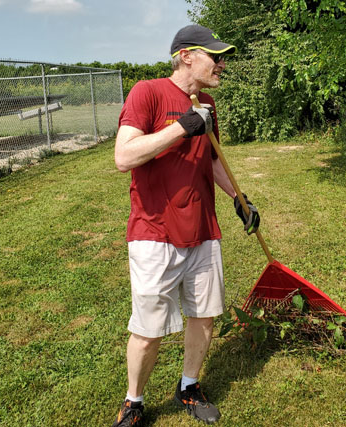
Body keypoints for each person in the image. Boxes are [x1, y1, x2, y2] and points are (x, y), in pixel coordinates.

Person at [111, 24, 260, 427]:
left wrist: (238, 199)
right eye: (216, 56)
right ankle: (134, 402)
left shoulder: (207, 102)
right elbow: (124, 156)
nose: (222, 63)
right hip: (154, 232)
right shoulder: (148, 92)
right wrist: (182, 127)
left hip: (203, 229)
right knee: (149, 329)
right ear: (187, 55)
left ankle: (189, 386)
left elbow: (212, 160)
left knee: (204, 316)